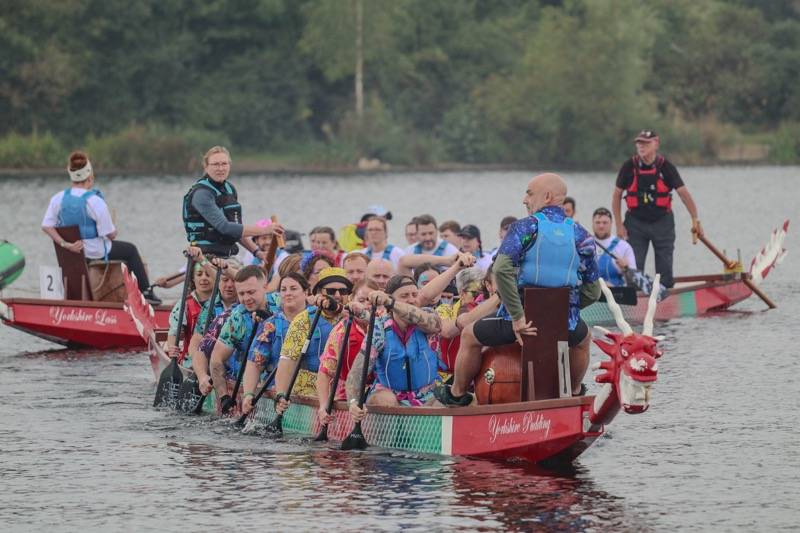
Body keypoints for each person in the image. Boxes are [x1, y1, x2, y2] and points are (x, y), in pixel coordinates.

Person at [436, 173, 600, 406]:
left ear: (547, 197)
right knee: (584, 339)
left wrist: (517, 317)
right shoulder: (582, 234)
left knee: (469, 335)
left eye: (529, 193)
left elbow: (501, 270)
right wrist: (564, 309)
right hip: (563, 323)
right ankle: (574, 392)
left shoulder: (524, 227)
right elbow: (593, 291)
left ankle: (457, 393)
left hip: (521, 322)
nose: (524, 199)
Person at [41, 150, 161, 303]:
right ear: (90, 176)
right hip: (93, 250)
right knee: (131, 250)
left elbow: (46, 226)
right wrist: (113, 230)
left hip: (70, 253)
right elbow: (110, 235)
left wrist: (65, 244)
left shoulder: (58, 198)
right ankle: (146, 293)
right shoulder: (95, 201)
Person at [612, 130, 703, 288]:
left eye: (646, 143)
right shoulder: (629, 166)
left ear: (656, 144)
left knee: (664, 268)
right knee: (633, 268)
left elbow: (683, 194)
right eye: (639, 143)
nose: (641, 146)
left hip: (663, 223)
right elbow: (616, 196)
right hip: (635, 223)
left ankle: (665, 297)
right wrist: (619, 225)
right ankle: (635, 301)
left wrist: (695, 219)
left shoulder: (666, 167)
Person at [346, 275, 445, 413]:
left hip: (428, 393)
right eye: (404, 295)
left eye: (414, 294)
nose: (411, 299)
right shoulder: (379, 327)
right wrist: (353, 403)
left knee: (445, 402)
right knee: (384, 400)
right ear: (390, 298)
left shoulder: (428, 316)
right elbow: (358, 372)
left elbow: (434, 326)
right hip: (389, 393)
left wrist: (390, 302)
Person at [182, 146, 282, 258]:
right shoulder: (202, 194)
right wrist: (264, 230)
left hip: (227, 257)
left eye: (224, 164)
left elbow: (236, 230)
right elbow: (225, 227)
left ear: (229, 165)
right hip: (204, 259)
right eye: (216, 164)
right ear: (206, 167)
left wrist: (257, 252)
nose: (221, 168)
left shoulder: (230, 189)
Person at [273, 267, 352, 408]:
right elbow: (287, 362)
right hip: (310, 389)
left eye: (343, 291)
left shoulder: (357, 318)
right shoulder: (304, 320)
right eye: (331, 291)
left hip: (346, 387)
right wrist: (280, 394)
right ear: (320, 293)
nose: (338, 295)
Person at [240, 272, 312, 415]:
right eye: (283, 290)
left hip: (313, 390)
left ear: (306, 292)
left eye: (293, 288)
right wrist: (248, 394)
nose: (288, 293)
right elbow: (255, 364)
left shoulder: (318, 319)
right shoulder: (270, 325)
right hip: (277, 391)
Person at [204, 266, 272, 407]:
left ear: (265, 287)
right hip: (249, 379)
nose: (246, 298)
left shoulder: (281, 303)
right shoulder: (237, 319)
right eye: (241, 294)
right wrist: (223, 397)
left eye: (251, 292)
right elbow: (216, 360)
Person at [315, 279, 378, 425]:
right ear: (352, 300)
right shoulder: (341, 331)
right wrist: (323, 406)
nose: (367, 305)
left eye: (371, 301)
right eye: (361, 300)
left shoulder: (387, 327)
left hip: (377, 393)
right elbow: (324, 373)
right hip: (346, 395)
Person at [592, 207, 637, 287]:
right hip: (593, 294)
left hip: (618, 294)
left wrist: (626, 268)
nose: (601, 226)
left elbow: (635, 280)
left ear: (611, 223)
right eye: (597, 222)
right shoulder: (585, 245)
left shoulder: (624, 246)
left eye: (605, 222)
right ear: (592, 223)